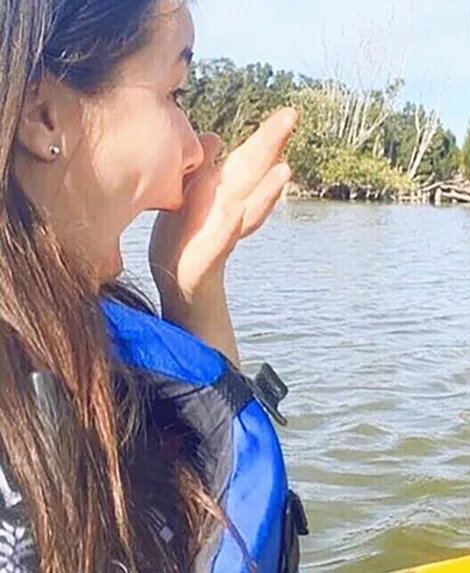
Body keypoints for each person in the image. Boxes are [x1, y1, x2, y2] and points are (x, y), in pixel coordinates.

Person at [0, 0, 305, 571]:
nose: (196, 150)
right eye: (175, 94)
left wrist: (193, 286)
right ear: (44, 117)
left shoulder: (78, 339)